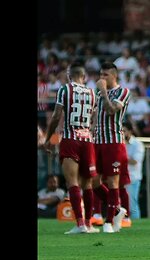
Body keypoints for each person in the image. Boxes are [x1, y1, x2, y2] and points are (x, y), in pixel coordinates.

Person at [43, 62, 99, 234]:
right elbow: (95, 116)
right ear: (84, 77)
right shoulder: (91, 92)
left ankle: (80, 223)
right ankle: (89, 224)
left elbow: (56, 116)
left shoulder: (65, 90)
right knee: (88, 183)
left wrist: (48, 139)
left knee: (72, 182)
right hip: (87, 139)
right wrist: (90, 132)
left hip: (70, 139)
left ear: (69, 76)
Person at [92, 62, 130, 233]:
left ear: (114, 76)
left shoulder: (123, 92)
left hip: (114, 142)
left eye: (105, 75)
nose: (102, 78)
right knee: (92, 182)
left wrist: (103, 92)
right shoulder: (98, 94)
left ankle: (109, 221)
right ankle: (116, 210)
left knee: (113, 182)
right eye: (100, 75)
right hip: (97, 141)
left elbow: (111, 110)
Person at [123, 122, 145, 222]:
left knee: (132, 204)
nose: (123, 133)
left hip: (133, 177)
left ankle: (136, 224)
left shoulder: (137, 144)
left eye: (125, 131)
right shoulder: (120, 142)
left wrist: (121, 156)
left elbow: (135, 161)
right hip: (122, 176)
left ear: (130, 131)